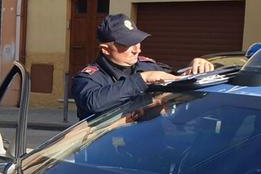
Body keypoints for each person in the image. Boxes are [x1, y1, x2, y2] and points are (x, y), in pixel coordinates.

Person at [71, 14, 215, 120]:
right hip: (102, 154)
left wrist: (195, 65)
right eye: (127, 44)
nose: (137, 49)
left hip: (147, 148)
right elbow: (93, 103)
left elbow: (178, 80)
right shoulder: (89, 78)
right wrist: (142, 79)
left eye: (137, 41)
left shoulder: (147, 65)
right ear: (105, 49)